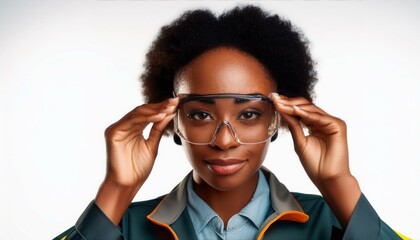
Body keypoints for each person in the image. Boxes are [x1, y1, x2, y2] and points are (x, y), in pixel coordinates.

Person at [54, 5, 408, 240]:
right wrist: (116, 190)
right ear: (173, 121)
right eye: (201, 114)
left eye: (249, 114)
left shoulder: (335, 224)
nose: (224, 141)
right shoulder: (123, 226)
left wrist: (340, 185)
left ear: (279, 119)